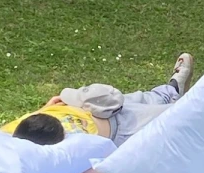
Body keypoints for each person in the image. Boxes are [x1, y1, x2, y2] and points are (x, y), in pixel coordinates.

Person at [10, 52, 194, 148]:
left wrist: (45, 109)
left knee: (146, 98)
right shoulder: (65, 152)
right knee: (173, 115)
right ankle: (194, 100)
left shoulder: (16, 130)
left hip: (99, 106)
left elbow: (9, 131)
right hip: (122, 132)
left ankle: (172, 89)